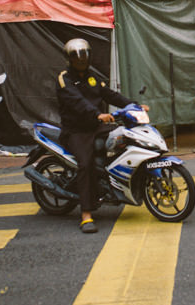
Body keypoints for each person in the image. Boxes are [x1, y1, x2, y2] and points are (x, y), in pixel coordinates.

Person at [56, 38, 148, 233]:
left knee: (125, 141)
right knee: (86, 164)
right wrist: (97, 114)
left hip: (97, 127)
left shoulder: (93, 77)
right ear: (69, 59)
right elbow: (77, 101)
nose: (81, 60)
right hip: (77, 130)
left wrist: (134, 105)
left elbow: (110, 95)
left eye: (84, 56)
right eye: (76, 57)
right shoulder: (65, 78)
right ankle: (86, 214)